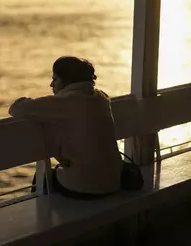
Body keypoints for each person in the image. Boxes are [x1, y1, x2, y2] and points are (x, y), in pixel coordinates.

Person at [8, 56, 122, 199]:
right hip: (114, 181)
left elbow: (16, 109)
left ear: (67, 80)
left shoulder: (65, 102)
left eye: (55, 79)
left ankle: (43, 219)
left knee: (42, 177)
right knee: (58, 173)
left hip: (88, 186)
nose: (51, 84)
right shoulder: (101, 98)